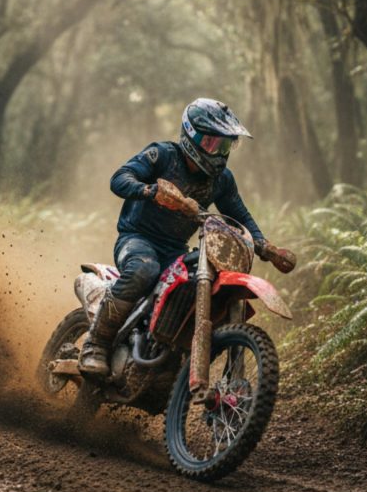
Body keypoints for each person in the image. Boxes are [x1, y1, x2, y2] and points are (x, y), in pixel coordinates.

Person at [78, 98, 296, 378]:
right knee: (144, 269)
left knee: (197, 283)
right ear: (190, 134)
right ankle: (96, 343)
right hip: (137, 239)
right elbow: (120, 178)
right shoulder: (163, 155)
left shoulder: (222, 180)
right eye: (211, 143)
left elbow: (240, 214)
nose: (218, 152)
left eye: (225, 145)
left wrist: (265, 246)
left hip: (175, 250)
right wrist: (151, 191)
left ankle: (169, 358)